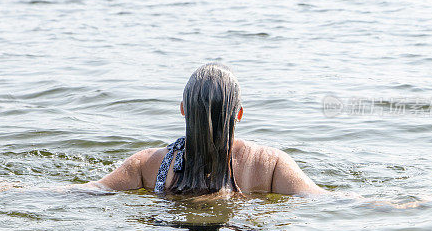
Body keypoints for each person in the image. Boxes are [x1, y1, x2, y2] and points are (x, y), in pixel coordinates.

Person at [84, 62, 323, 197]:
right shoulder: (270, 165)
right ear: (239, 114)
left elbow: (90, 190)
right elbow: (321, 199)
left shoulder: (146, 164)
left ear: (183, 110)